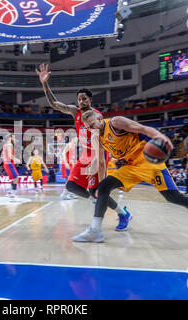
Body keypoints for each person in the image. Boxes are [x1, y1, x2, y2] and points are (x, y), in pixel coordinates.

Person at [72, 110, 188, 249]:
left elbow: (142, 129)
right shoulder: (97, 138)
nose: (91, 127)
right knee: (102, 187)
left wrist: (160, 136)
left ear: (97, 117)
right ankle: (95, 231)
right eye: (87, 126)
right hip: (130, 166)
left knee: (175, 198)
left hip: (147, 160)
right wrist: (101, 186)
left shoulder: (115, 122)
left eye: (92, 123)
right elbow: (102, 163)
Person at [36, 64, 129, 227]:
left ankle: (123, 213)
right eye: (79, 99)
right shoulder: (74, 111)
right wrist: (44, 83)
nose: (81, 101)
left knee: (98, 191)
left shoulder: (97, 117)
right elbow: (55, 104)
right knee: (71, 185)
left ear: (90, 100)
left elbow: (102, 141)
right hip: (85, 154)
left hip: (98, 155)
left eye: (84, 99)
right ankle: (95, 198)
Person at [2, 134, 21, 199]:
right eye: (14, 137)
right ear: (10, 137)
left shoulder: (4, 145)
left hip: (6, 163)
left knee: (13, 178)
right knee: (16, 178)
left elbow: (2, 155)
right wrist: (16, 159)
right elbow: (10, 156)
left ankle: (10, 192)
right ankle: (13, 194)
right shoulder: (10, 144)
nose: (15, 138)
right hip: (9, 163)